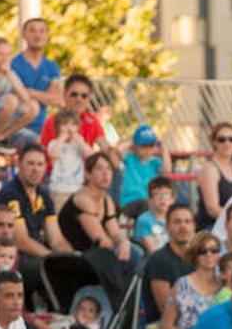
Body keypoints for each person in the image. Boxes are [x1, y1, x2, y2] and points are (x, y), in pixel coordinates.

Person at [54, 153, 143, 302]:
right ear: (88, 174)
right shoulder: (82, 199)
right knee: (133, 256)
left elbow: (115, 232)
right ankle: (123, 307)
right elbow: (101, 240)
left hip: (98, 255)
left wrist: (124, 242)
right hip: (78, 257)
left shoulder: (107, 200)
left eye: (108, 169)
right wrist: (121, 248)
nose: (106, 173)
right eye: (99, 169)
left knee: (136, 252)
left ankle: (130, 308)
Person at [0, 144, 56, 284]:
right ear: (19, 164)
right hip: (13, 257)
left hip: (37, 253)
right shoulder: (11, 194)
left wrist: (73, 256)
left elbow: (56, 238)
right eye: (30, 164)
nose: (35, 169)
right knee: (53, 271)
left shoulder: (44, 194)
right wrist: (53, 258)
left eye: (40, 164)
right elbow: (21, 241)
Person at [38, 74, 117, 166]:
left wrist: (115, 153)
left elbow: (105, 146)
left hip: (84, 173)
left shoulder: (92, 121)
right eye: (74, 94)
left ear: (89, 99)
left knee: (115, 166)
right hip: (59, 174)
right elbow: (49, 157)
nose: (79, 99)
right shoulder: (54, 121)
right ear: (64, 95)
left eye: (84, 96)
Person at [160, 232, 224, 329]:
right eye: (202, 251)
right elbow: (166, 326)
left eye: (214, 250)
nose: (209, 254)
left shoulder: (225, 285)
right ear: (195, 255)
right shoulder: (182, 285)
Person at [142, 203, 196, 323]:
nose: (183, 226)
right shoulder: (159, 259)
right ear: (167, 227)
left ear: (194, 227)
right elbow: (164, 308)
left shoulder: (199, 258)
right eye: (177, 222)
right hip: (164, 327)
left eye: (187, 222)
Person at [10, 18, 62, 135]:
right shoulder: (13, 64)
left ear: (47, 36)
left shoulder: (52, 67)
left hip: (41, 126)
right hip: (16, 128)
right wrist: (45, 96)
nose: (37, 35)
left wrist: (30, 92)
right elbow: (14, 96)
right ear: (24, 35)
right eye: (32, 31)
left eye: (42, 31)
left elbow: (57, 99)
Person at [197, 122, 232, 232]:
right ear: (214, 143)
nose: (227, 143)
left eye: (231, 139)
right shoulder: (210, 169)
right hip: (212, 229)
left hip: (231, 227)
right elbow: (212, 209)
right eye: (221, 139)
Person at [46, 109, 90, 210]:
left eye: (73, 125)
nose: (69, 128)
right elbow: (53, 155)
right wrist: (61, 139)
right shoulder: (54, 143)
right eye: (65, 124)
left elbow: (90, 155)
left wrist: (80, 142)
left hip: (77, 189)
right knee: (60, 215)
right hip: (59, 189)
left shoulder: (79, 144)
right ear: (57, 128)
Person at [121, 124, 170, 212]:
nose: (147, 149)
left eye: (151, 146)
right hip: (129, 202)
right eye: (143, 146)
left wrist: (164, 148)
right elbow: (116, 153)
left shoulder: (155, 162)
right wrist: (131, 143)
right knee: (147, 206)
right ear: (135, 146)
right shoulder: (130, 158)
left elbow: (167, 170)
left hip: (148, 203)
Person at [133, 176, 175, 254]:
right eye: (157, 194)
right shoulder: (144, 220)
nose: (162, 198)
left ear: (173, 199)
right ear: (150, 200)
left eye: (166, 194)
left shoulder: (175, 220)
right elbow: (152, 251)